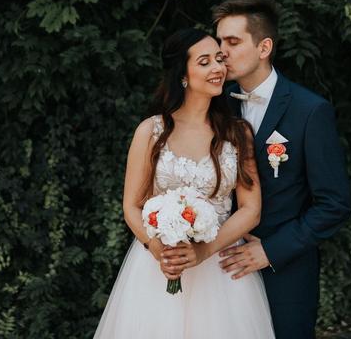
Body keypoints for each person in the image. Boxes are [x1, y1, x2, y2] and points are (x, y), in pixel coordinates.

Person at [93, 28, 275, 338]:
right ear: (183, 75)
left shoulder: (237, 132)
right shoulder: (151, 131)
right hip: (159, 266)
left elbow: (250, 209)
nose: (217, 68)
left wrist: (204, 251)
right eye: (204, 62)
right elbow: (132, 205)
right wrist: (157, 248)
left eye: (219, 59)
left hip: (221, 266)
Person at [212, 0, 351, 338]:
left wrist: (270, 250)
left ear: (264, 47)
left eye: (233, 42)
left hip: (285, 274)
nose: (221, 52)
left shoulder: (310, 111)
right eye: (219, 42)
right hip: (220, 271)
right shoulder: (215, 106)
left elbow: (334, 204)